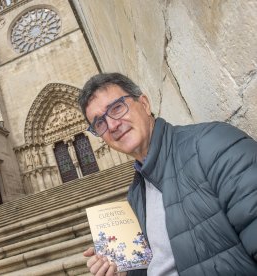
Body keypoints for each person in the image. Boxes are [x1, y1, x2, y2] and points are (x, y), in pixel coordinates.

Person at [78, 72, 257, 276]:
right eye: (99, 123)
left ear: (144, 104)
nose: (112, 125)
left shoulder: (212, 145)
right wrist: (124, 270)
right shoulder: (136, 196)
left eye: (117, 108)